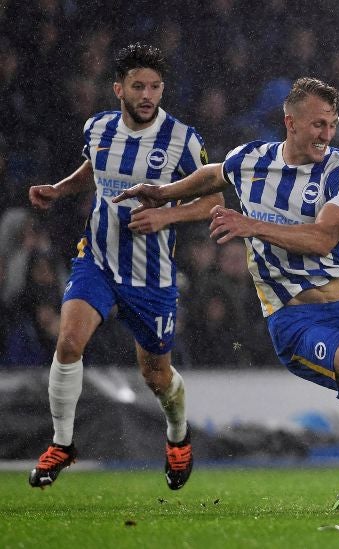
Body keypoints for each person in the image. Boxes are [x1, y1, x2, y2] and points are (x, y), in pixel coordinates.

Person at [113, 77, 339, 512]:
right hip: (295, 318)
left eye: (332, 125)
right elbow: (215, 174)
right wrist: (163, 194)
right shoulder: (251, 159)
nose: (327, 135)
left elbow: (323, 238)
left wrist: (252, 226)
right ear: (290, 122)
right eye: (318, 125)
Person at [26, 43, 224, 490]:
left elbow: (213, 200)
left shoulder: (183, 139)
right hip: (96, 259)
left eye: (155, 86)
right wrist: (60, 189)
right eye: (138, 86)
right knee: (69, 342)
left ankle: (177, 436)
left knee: (155, 375)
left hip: (150, 277)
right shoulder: (97, 128)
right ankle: (62, 443)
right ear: (119, 88)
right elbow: (94, 170)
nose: (148, 94)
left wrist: (166, 215)